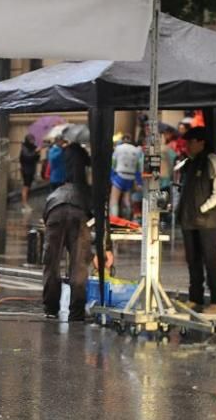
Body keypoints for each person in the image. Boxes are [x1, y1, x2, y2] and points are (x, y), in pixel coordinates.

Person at [42, 130, 112, 320]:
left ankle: (50, 308)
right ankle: (76, 312)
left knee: (52, 263)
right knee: (79, 265)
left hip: (55, 211)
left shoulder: (57, 188)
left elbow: (45, 214)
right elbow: (98, 217)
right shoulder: (86, 188)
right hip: (79, 212)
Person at [177, 126, 216, 313]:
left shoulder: (212, 161)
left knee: (211, 259)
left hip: (207, 221)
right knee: (193, 260)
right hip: (189, 220)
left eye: (190, 142)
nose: (187, 146)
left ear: (201, 142)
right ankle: (195, 297)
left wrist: (203, 208)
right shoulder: (189, 163)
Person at [109, 135, 143, 220]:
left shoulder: (118, 148)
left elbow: (113, 164)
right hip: (131, 177)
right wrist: (139, 182)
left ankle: (114, 220)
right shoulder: (137, 150)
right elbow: (138, 169)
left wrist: (111, 177)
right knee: (127, 200)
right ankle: (128, 219)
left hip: (119, 176)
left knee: (114, 199)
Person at [19, 134, 39, 211]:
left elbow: (35, 158)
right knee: (26, 186)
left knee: (28, 186)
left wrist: (37, 153)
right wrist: (35, 152)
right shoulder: (24, 148)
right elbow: (28, 157)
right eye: (31, 140)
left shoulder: (32, 148)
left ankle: (25, 203)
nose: (32, 142)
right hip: (26, 170)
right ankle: (24, 203)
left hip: (30, 169)